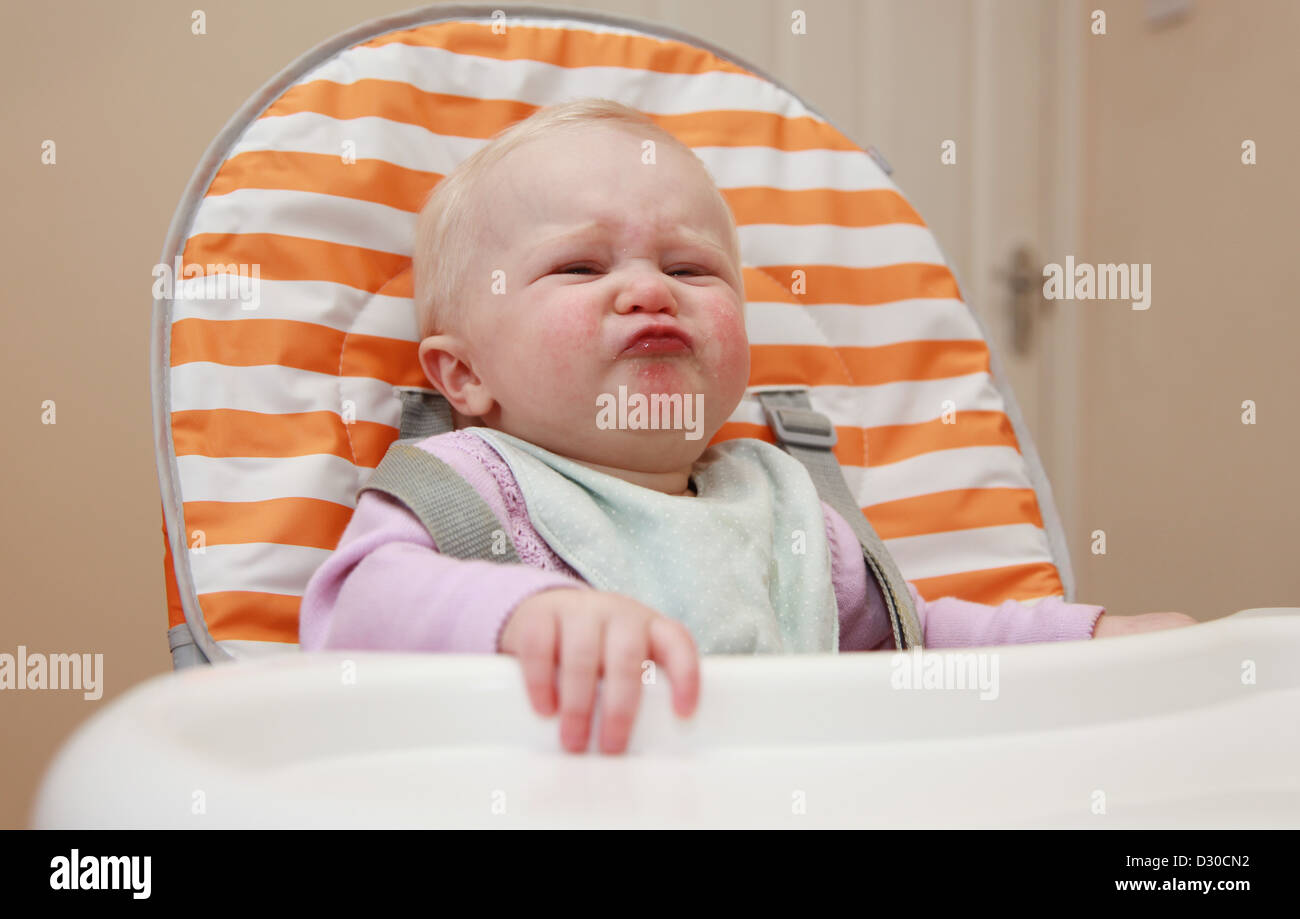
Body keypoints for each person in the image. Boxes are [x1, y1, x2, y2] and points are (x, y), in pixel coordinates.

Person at [300, 98, 1195, 755]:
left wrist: (1089, 642)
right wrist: (526, 616)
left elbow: (924, 646)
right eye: (579, 265)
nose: (650, 288)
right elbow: (352, 610)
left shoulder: (785, 506)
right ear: (464, 375)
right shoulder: (471, 484)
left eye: (691, 267)